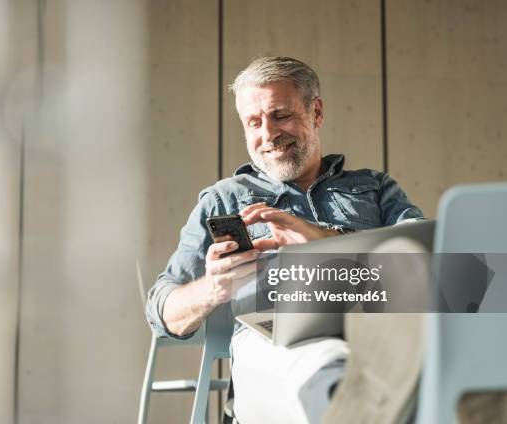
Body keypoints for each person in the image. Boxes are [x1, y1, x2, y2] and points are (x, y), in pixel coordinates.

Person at [146, 56, 423, 422]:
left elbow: (429, 261)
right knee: (324, 361)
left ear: (317, 112)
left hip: (376, 332)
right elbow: (163, 312)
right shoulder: (224, 199)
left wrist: (321, 240)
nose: (268, 133)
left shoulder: (374, 188)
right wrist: (214, 288)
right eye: (254, 122)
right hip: (275, 342)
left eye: (280, 115)